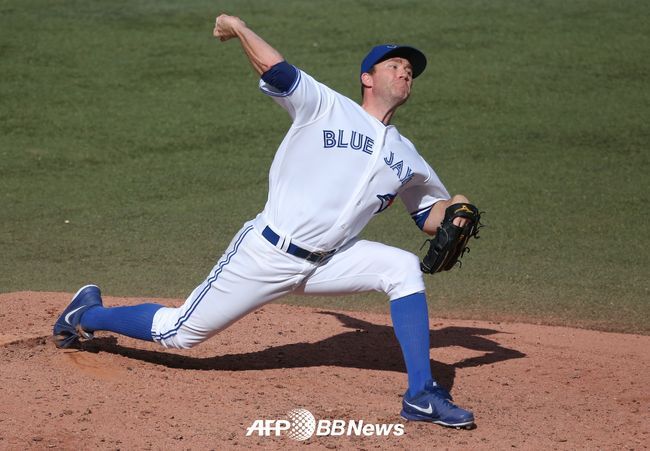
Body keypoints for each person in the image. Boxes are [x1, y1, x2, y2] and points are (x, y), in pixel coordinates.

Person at [53, 13, 476, 428]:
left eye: (409, 71)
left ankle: (421, 395)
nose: (405, 73)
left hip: (330, 262)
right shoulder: (326, 106)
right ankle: (86, 314)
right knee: (179, 333)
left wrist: (457, 208)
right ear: (367, 77)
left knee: (401, 268)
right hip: (267, 254)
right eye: (395, 65)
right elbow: (278, 71)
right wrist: (239, 28)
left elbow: (429, 216)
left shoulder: (407, 154)